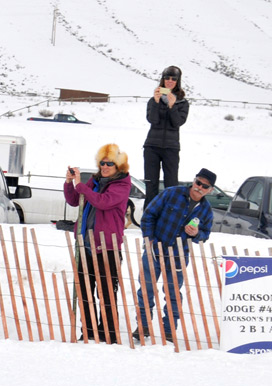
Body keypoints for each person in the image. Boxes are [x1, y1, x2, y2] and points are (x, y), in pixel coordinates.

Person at [133, 168, 216, 342]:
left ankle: (169, 330)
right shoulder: (172, 193)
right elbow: (148, 216)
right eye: (197, 182)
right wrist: (150, 241)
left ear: (210, 190)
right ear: (193, 181)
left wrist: (195, 234)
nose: (199, 187)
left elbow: (205, 236)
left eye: (204, 186)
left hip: (178, 257)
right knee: (146, 289)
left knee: (172, 293)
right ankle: (143, 326)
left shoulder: (206, 211)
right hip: (154, 251)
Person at [64, 144, 131, 343]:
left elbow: (103, 201)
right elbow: (75, 200)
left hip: (107, 246)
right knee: (85, 290)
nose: (105, 166)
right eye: (102, 162)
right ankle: (89, 330)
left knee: (107, 292)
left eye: (110, 163)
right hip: (86, 242)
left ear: (118, 165)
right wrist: (70, 183)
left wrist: (81, 185)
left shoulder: (122, 184)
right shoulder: (95, 180)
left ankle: (108, 333)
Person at [143, 65, 189, 208]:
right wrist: (157, 103)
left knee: (171, 185)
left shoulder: (182, 102)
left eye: (173, 79)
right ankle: (148, 220)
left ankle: (169, 218)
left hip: (171, 148)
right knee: (151, 185)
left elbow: (177, 122)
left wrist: (172, 105)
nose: (169, 81)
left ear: (178, 81)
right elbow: (153, 120)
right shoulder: (153, 100)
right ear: (162, 80)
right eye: (166, 78)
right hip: (152, 146)